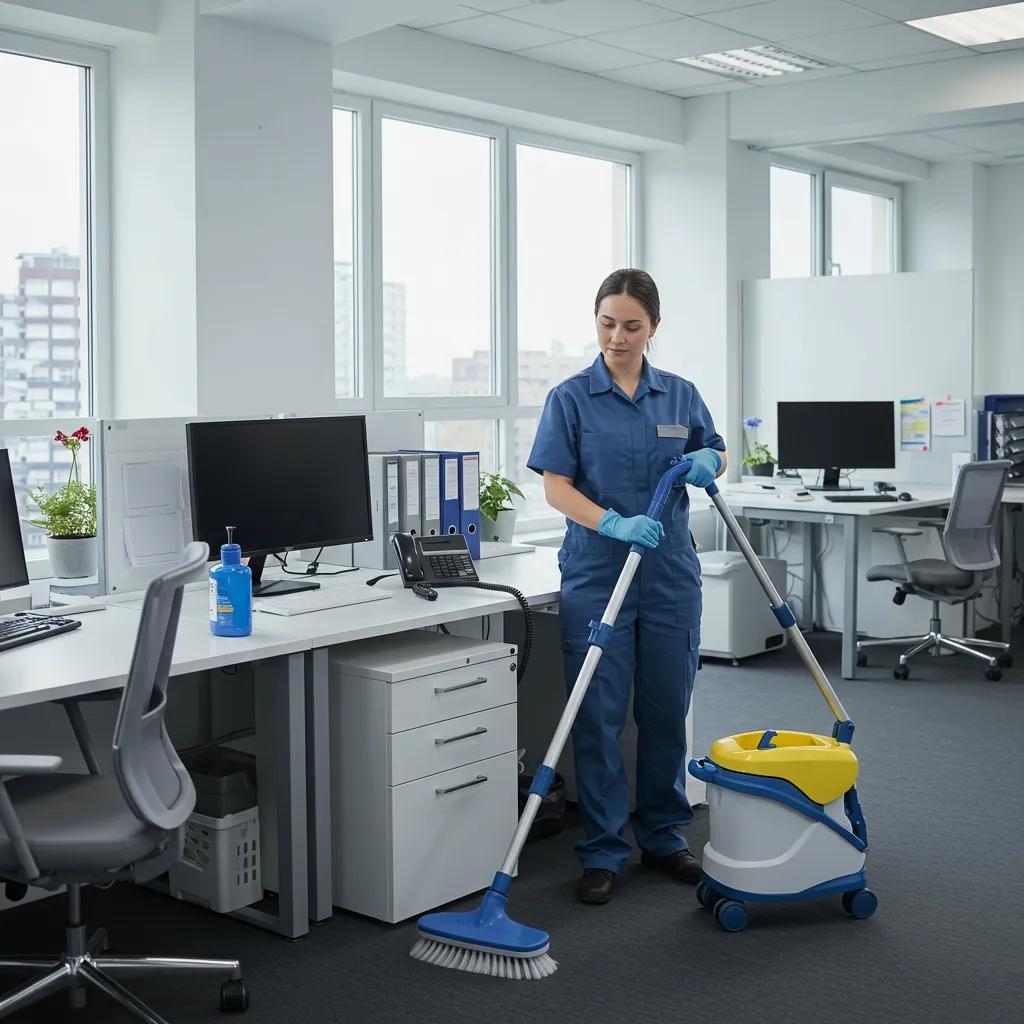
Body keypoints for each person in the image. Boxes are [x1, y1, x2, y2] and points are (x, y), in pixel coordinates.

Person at [527, 268, 727, 905]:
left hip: (669, 573)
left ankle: (666, 836)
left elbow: (718, 451)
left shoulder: (680, 394)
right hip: (598, 570)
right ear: (596, 322)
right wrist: (611, 520)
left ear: (654, 328)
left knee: (667, 709)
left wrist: (709, 461)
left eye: (631, 326)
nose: (617, 336)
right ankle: (605, 849)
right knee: (601, 715)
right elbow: (556, 486)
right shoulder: (571, 398)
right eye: (607, 323)